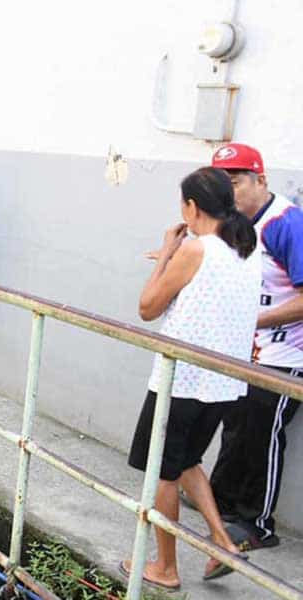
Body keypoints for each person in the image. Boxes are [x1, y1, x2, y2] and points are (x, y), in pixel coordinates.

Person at [122, 167, 258, 590]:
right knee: (187, 462)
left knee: (161, 471)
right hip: (222, 382)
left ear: (191, 207)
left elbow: (147, 307)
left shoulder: (196, 250)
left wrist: (166, 251)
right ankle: (222, 542)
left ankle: (165, 567)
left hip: (181, 381)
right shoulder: (247, 251)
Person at [207, 143, 303, 551]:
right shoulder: (230, 224)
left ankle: (257, 524)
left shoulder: (286, 224)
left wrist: (252, 321)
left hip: (286, 357)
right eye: (221, 185)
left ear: (260, 180)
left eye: (236, 182)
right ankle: (221, 506)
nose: (229, 193)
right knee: (235, 428)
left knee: (262, 434)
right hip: (244, 351)